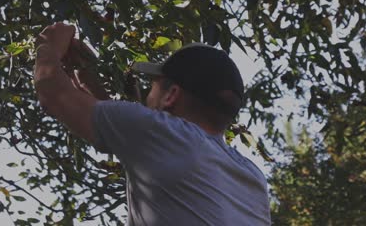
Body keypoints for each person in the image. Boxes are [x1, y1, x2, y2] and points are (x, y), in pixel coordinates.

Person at [34, 23, 271, 225]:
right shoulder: (252, 177)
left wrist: (50, 43)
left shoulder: (161, 135)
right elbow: (142, 143)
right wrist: (89, 80)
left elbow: (54, 93)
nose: (147, 96)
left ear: (171, 95)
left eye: (153, 85)